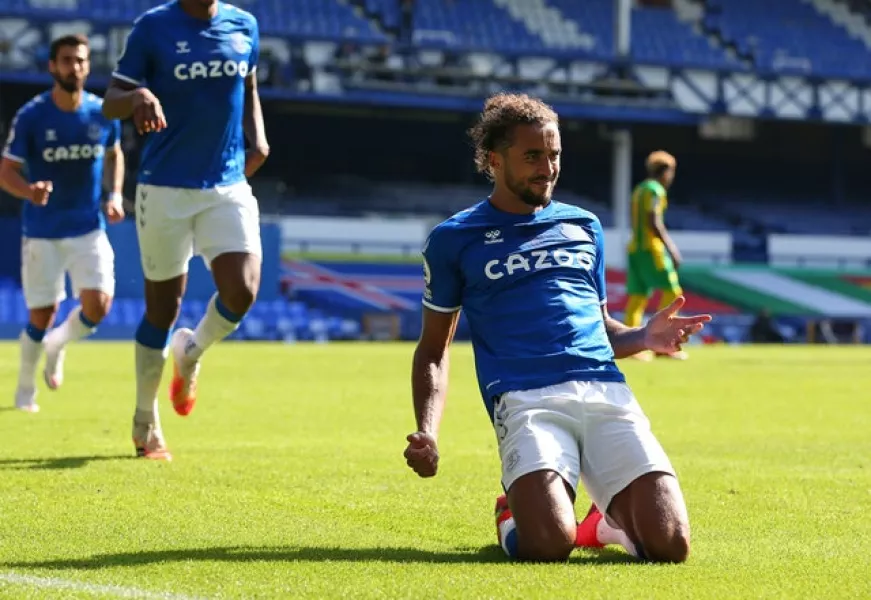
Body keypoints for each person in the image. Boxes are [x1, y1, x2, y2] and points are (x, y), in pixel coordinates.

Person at [403, 93, 711, 563]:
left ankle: (608, 525)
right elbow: (433, 350)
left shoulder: (584, 225)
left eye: (554, 155)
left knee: (671, 545)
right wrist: (428, 430)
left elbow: (601, 328)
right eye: (532, 156)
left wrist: (644, 337)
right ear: (494, 159)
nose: (547, 167)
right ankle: (512, 515)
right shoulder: (453, 239)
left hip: (607, 392)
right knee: (547, 545)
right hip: (526, 400)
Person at [102, 0, 270, 461]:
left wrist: (258, 136)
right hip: (163, 189)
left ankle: (191, 352)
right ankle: (144, 423)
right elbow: (109, 100)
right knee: (162, 310)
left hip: (227, 184)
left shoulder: (244, 24)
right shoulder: (152, 28)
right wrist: (137, 97)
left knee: (243, 291)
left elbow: (249, 84)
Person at [0, 34, 125, 413]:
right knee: (41, 315)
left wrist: (115, 194)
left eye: (81, 60)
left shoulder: (103, 112)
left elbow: (114, 153)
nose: (75, 67)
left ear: (89, 66)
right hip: (42, 232)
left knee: (99, 306)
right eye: (67, 60)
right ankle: (25, 390)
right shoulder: (33, 116)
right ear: (52, 66)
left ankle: (58, 345)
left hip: (88, 226)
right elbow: (7, 171)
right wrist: (28, 191)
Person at [623, 150, 686, 361]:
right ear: (666, 172)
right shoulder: (655, 190)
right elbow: (653, 220)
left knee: (637, 296)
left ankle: (631, 347)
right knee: (672, 291)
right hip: (651, 249)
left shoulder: (639, 189)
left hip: (634, 248)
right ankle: (662, 344)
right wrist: (671, 248)